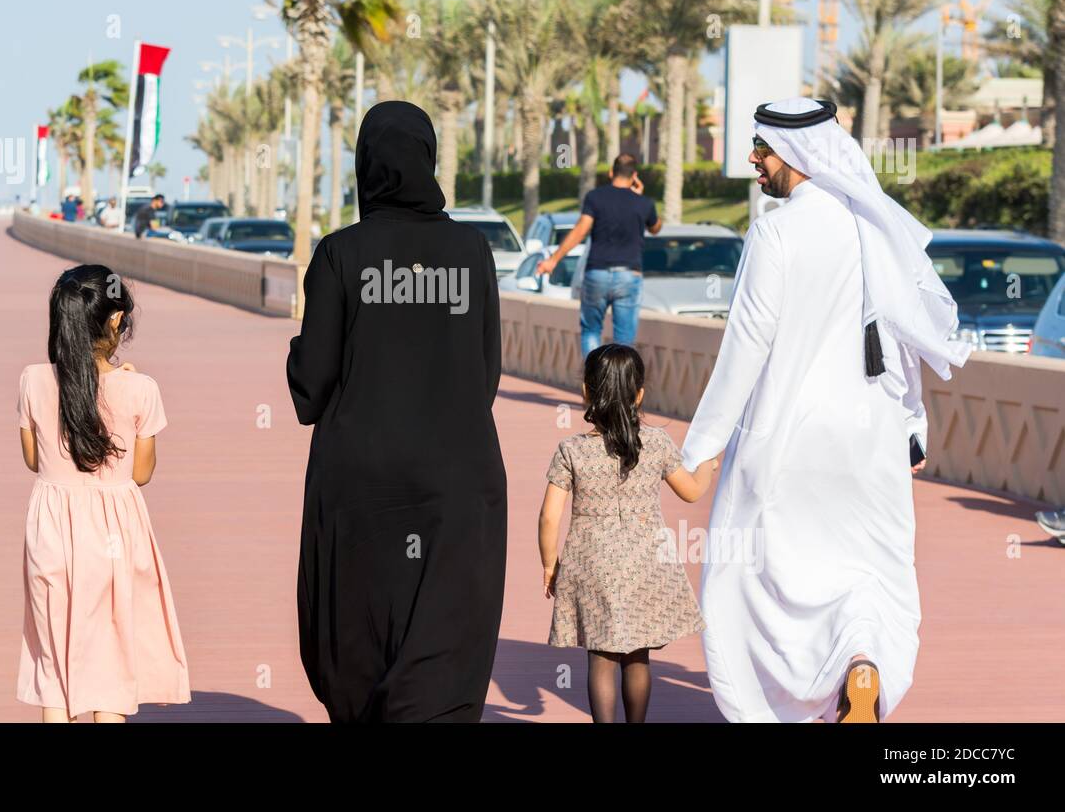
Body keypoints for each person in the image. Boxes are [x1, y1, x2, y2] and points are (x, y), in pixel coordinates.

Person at [681, 97, 972, 723]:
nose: (754, 160)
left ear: (798, 154)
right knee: (866, 571)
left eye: (762, 149)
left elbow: (746, 347)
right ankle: (863, 665)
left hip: (788, 437)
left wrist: (698, 449)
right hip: (872, 439)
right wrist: (913, 428)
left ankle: (785, 707)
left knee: (759, 576)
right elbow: (904, 341)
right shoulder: (877, 228)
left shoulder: (776, 232)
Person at [286, 100, 507, 722]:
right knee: (446, 626)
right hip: (457, 475)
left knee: (359, 627)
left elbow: (312, 382)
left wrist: (299, 358)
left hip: (362, 479)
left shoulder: (340, 253)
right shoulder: (472, 250)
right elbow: (485, 370)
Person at [16, 264, 190, 722]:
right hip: (113, 531)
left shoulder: (32, 380)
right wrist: (122, 385)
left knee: (55, 665)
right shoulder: (140, 389)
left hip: (51, 527)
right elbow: (142, 472)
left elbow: (35, 460)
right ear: (114, 321)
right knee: (110, 664)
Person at [539, 344, 715, 722]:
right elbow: (691, 492)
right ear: (639, 394)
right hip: (646, 561)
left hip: (591, 562)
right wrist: (708, 467)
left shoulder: (571, 450)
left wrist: (549, 564)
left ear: (586, 392)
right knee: (638, 656)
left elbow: (550, 517)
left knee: (601, 658)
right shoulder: (656, 443)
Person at [537, 153, 662, 357]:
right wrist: (639, 197)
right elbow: (656, 227)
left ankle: (594, 384)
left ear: (611, 173)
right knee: (624, 341)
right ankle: (619, 387)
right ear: (634, 176)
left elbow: (580, 230)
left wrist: (553, 260)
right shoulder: (644, 203)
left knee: (591, 331)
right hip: (629, 275)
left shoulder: (595, 197)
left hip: (598, 273)